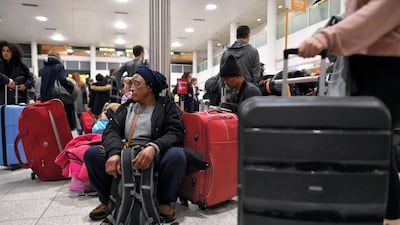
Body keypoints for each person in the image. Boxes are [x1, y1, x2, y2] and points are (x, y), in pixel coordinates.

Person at [298, 1, 400, 224]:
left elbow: (380, 12)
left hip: (386, 67)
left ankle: (387, 217)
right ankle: (377, 216)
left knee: (374, 150)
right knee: (371, 150)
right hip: (361, 67)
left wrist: (327, 37)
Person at [84, 66, 186, 223]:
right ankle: (107, 201)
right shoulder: (127, 107)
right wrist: (114, 152)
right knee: (91, 154)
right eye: (131, 83)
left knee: (177, 155)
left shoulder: (166, 107)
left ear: (149, 88)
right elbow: (111, 130)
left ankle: (164, 203)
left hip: (153, 152)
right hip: (125, 150)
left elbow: (175, 132)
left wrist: (154, 147)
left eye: (137, 84)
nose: (131, 87)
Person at [38, 50, 77, 130]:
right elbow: (62, 79)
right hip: (57, 99)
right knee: (64, 124)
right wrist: (70, 87)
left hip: (45, 100)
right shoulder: (59, 66)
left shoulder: (43, 69)